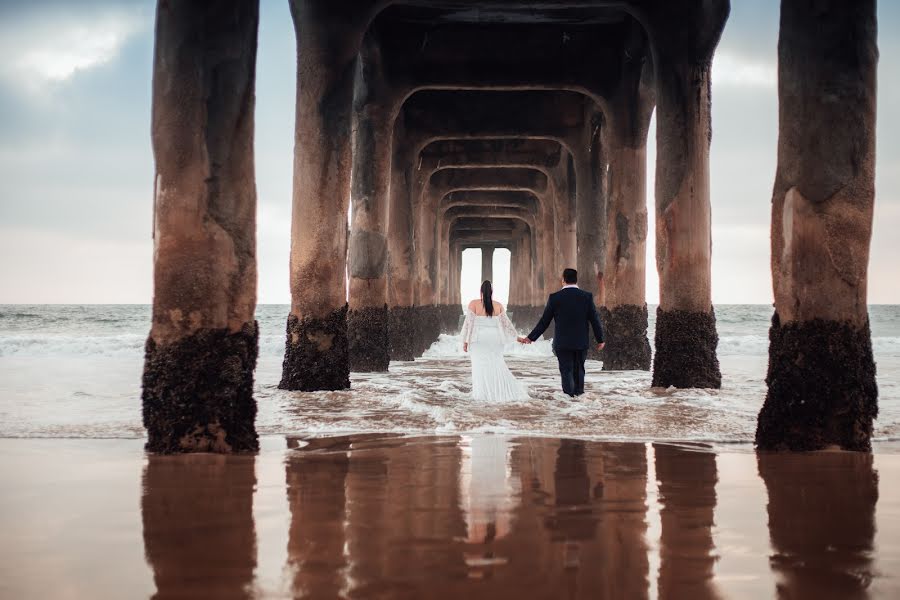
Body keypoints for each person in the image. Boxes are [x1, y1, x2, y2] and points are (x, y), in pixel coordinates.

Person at [518, 268, 604, 397]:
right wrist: (600, 339)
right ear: (576, 279)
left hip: (562, 343)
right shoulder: (586, 296)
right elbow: (594, 319)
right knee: (579, 370)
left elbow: (544, 322)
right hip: (581, 342)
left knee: (566, 371)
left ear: (563, 280)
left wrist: (531, 338)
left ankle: (569, 398)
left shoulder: (555, 298)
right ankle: (579, 398)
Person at [461, 280, 529, 402]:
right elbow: (506, 325)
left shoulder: (473, 304)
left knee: (480, 367)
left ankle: (482, 395)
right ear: (492, 292)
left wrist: (465, 341)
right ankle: (502, 392)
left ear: (480, 291)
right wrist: (517, 338)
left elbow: (468, 325)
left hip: (479, 339)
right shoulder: (498, 305)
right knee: (497, 364)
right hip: (495, 339)